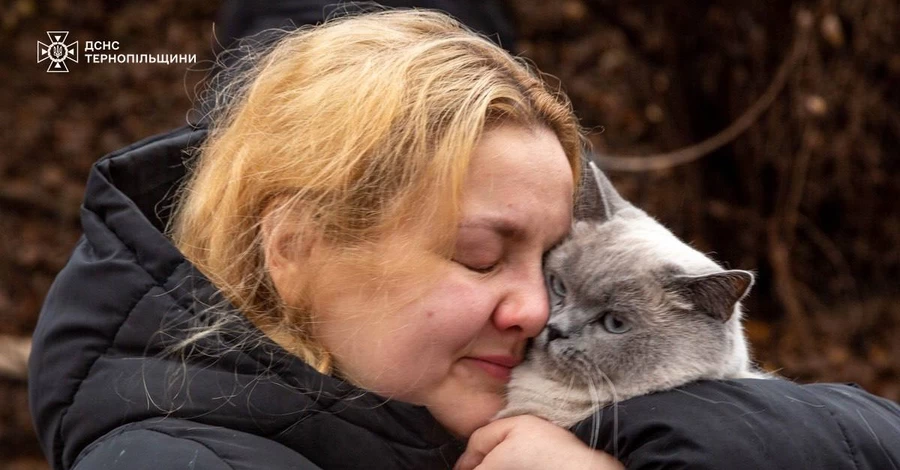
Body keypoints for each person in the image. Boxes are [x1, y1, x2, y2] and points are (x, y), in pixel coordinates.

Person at [28, 6, 900, 470]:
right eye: (481, 256)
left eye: (548, 266)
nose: (535, 313)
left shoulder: (436, 412)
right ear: (293, 248)